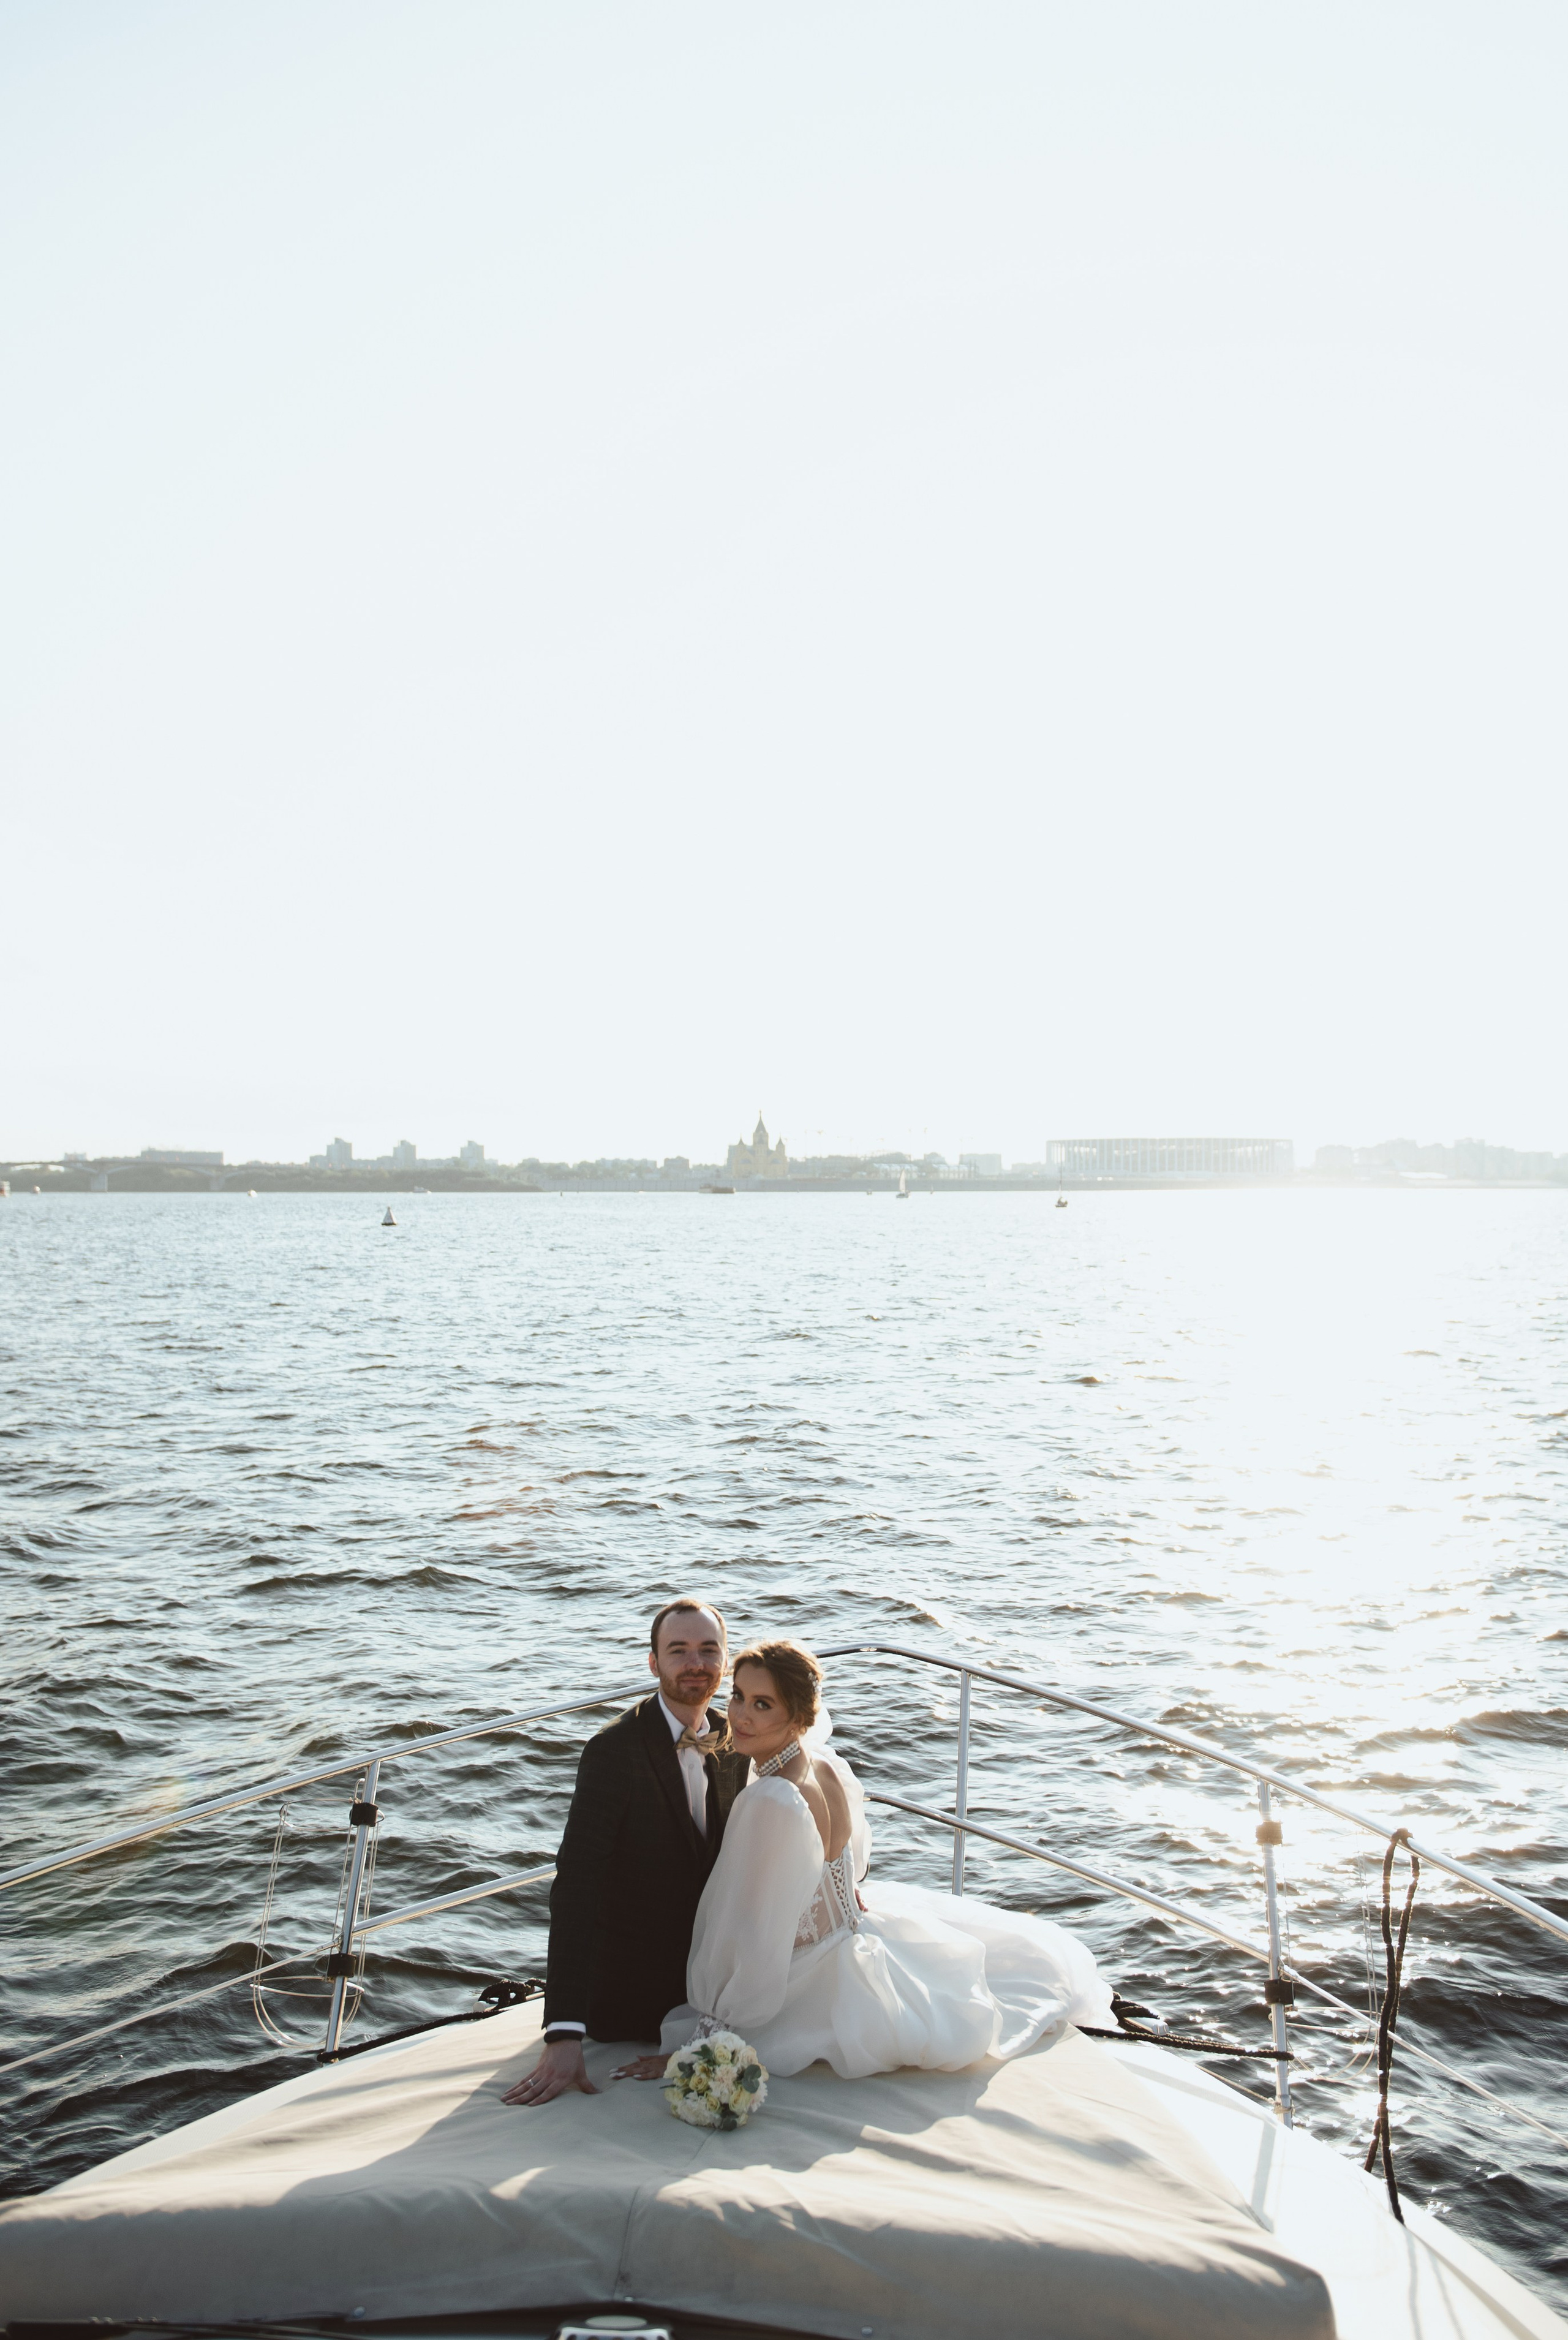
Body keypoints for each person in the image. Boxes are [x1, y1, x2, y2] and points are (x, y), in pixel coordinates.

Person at [652, 1639, 1114, 2079]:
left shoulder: (772, 1798)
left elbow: (750, 1929)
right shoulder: (826, 1765)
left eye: (762, 1704)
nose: (740, 1715)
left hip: (813, 1976)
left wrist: (709, 2034)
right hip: (852, 1931)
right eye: (738, 1696)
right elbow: (849, 1864)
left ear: (796, 1718)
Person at [502, 1598, 749, 2107]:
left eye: (708, 1650)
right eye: (678, 1651)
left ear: (725, 1660)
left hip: (708, 1984)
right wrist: (565, 2032)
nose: (695, 1664)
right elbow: (576, 1888)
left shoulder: (734, 1739)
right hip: (628, 1997)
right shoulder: (612, 1751)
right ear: (653, 1662)